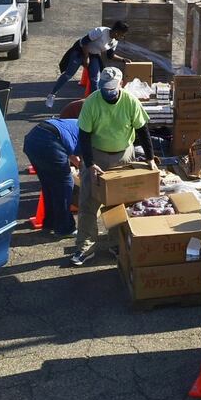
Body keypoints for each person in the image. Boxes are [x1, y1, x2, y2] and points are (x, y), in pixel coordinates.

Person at [69, 68, 155, 266]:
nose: (108, 92)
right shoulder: (92, 102)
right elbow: (84, 136)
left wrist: (150, 157)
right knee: (88, 203)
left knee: (118, 202)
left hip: (122, 155)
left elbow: (143, 130)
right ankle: (85, 247)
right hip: (96, 154)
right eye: (105, 89)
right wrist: (89, 164)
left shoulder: (130, 101)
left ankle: (117, 243)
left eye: (112, 89)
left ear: (121, 84)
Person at [45, 21, 129, 109]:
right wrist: (86, 57)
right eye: (122, 35)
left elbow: (110, 55)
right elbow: (84, 41)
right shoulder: (101, 31)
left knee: (95, 79)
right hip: (80, 50)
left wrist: (123, 59)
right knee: (68, 74)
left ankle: (95, 103)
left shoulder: (114, 41)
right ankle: (52, 94)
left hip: (94, 55)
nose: (122, 37)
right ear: (117, 32)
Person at [24, 116, 82, 236]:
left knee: (49, 184)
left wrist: (80, 166)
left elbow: (71, 151)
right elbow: (84, 160)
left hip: (32, 139)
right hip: (50, 142)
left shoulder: (76, 124)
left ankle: (50, 222)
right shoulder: (91, 134)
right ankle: (65, 228)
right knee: (64, 184)